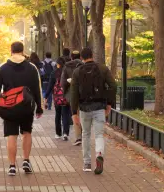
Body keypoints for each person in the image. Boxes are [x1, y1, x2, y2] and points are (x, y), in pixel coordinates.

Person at [0, 42, 44, 176]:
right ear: (22, 51)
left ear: (11, 51)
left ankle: (12, 165)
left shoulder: (3, 68)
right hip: (27, 106)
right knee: (27, 132)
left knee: (12, 135)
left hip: (10, 107)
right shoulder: (32, 67)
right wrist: (39, 107)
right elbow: (37, 88)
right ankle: (26, 160)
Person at [70, 47, 116, 175]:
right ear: (92, 56)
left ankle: (87, 163)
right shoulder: (102, 69)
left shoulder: (77, 72)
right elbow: (113, 86)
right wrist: (109, 103)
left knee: (85, 134)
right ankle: (99, 154)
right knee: (99, 134)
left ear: (82, 58)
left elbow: (73, 94)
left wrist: (74, 112)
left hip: (84, 108)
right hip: (99, 107)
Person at [61, 50, 84, 146]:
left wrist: (65, 92)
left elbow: (63, 82)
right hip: (84, 93)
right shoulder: (84, 65)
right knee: (83, 115)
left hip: (71, 94)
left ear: (71, 57)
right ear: (80, 57)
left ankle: (78, 136)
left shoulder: (67, 66)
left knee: (75, 114)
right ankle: (83, 135)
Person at [48, 57, 71, 141]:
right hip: (65, 97)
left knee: (57, 115)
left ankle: (58, 133)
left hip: (57, 98)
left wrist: (46, 96)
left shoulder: (54, 72)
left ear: (57, 64)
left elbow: (50, 86)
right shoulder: (67, 72)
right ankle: (65, 133)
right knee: (65, 115)